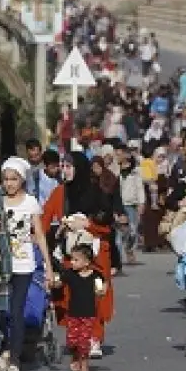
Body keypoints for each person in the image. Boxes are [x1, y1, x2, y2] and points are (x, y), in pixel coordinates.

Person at [0, 157, 52, 371]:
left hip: (24, 265)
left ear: (22, 180)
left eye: (14, 179)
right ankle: (4, 347)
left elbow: (39, 235)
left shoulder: (30, 202)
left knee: (16, 309)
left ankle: (14, 360)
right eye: (6, 179)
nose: (9, 183)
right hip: (0, 263)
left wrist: (49, 268)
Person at [42, 152, 114, 358]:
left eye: (68, 166)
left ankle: (94, 338)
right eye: (63, 166)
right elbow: (45, 218)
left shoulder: (95, 192)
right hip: (68, 255)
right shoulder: (59, 192)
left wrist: (88, 225)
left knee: (95, 295)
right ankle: (77, 335)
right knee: (70, 297)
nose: (64, 170)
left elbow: (107, 223)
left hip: (95, 256)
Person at [51, 243, 106, 371]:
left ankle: (84, 366)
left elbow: (101, 289)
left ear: (87, 262)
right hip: (73, 314)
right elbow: (58, 282)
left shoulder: (96, 276)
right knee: (72, 341)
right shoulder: (70, 274)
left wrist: (101, 290)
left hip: (88, 314)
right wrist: (53, 281)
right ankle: (75, 358)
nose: (72, 262)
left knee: (84, 341)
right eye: (71, 259)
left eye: (76, 260)